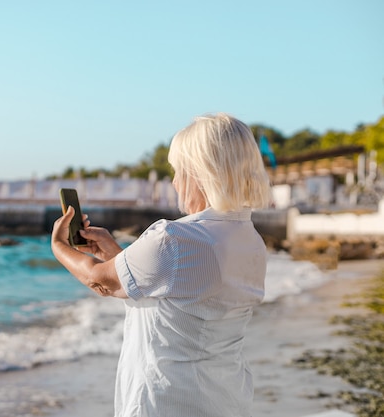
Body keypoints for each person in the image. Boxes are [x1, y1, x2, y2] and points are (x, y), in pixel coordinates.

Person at [51, 113, 271, 417]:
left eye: (179, 170)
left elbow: (100, 281)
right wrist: (117, 253)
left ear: (202, 173)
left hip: (168, 403)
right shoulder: (249, 239)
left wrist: (59, 246)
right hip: (225, 399)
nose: (175, 181)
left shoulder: (175, 238)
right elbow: (179, 287)